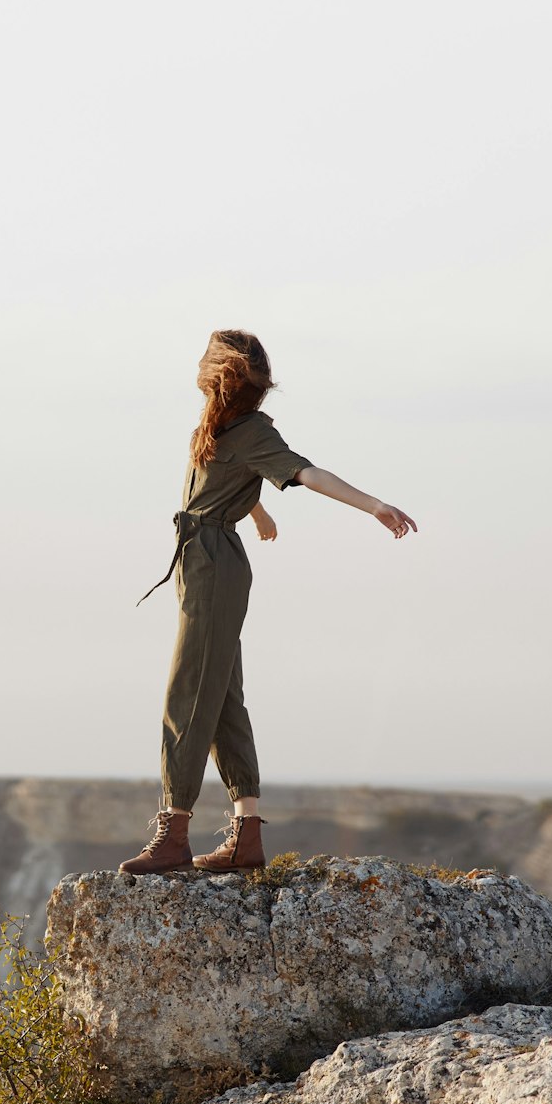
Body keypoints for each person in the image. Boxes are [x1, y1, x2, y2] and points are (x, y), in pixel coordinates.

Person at [120, 329, 418, 875]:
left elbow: (306, 472)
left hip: (213, 565)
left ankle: (173, 831)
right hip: (202, 559)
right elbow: (225, 480)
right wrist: (255, 511)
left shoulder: (253, 430)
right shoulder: (215, 427)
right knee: (222, 696)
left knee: (188, 693)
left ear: (213, 376)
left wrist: (373, 505)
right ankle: (246, 836)